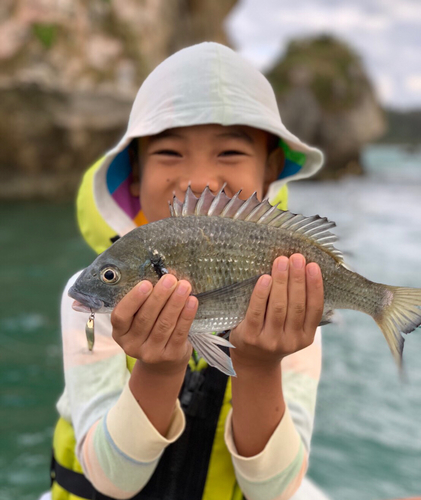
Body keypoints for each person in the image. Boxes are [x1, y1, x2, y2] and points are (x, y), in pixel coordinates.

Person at [47, 42, 329, 500]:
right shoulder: (92, 299)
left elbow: (274, 492)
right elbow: (112, 483)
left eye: (231, 153)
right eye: (170, 154)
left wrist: (259, 366)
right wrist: (157, 372)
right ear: (134, 175)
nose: (199, 179)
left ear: (270, 170)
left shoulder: (292, 299)